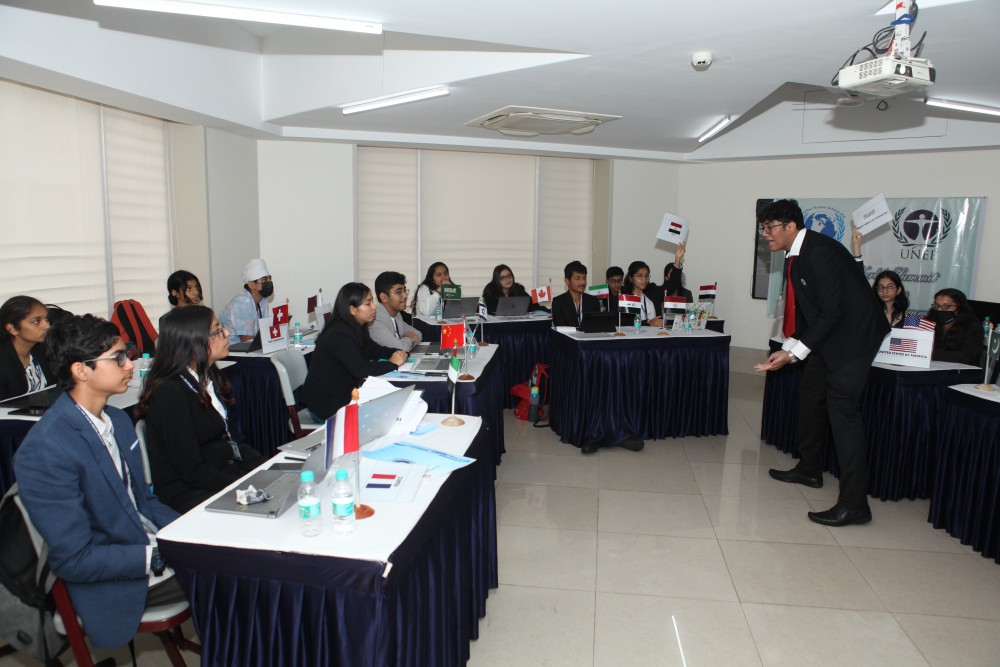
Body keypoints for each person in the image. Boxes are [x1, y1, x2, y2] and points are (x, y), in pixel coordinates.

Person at [13, 314, 186, 649]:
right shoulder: (46, 448)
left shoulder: (118, 421)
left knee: (238, 561)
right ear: (81, 370)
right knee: (235, 579)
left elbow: (144, 502)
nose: (129, 365)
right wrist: (153, 555)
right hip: (114, 578)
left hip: (149, 546)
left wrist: (188, 534)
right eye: (118, 358)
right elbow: (74, 559)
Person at [755, 199, 889, 527]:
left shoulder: (819, 252)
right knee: (810, 394)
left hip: (854, 339)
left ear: (790, 226)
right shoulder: (797, 255)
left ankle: (855, 504)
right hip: (829, 337)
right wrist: (789, 347)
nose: (765, 234)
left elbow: (833, 312)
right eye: (763, 228)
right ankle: (810, 469)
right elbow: (809, 312)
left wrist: (793, 354)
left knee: (842, 410)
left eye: (770, 228)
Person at [135, 306, 265, 513]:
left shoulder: (208, 375)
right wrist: (244, 484)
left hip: (221, 474)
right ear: (193, 342)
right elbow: (192, 469)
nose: (226, 333)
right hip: (189, 492)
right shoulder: (169, 393)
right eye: (217, 329)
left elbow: (233, 439)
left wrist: (266, 469)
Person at [303, 283, 408, 420]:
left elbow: (374, 349)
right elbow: (360, 369)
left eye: (372, 302)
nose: (374, 307)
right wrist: (392, 364)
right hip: (329, 405)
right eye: (368, 303)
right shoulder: (339, 333)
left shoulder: (357, 326)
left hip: (344, 395)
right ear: (352, 309)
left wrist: (398, 352)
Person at [0, 296, 52, 400]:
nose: (46, 325)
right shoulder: (3, 364)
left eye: (46, 319)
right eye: (36, 321)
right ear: (13, 329)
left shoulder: (45, 350)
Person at [218, 258, 274, 343]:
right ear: (251, 285)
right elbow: (247, 341)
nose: (269, 282)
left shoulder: (263, 299)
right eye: (264, 280)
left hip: (249, 346)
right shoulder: (242, 303)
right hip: (231, 348)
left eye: (270, 278)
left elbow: (264, 331)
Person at [370, 271, 423, 352]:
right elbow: (401, 349)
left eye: (405, 290)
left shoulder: (396, 314)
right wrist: (410, 338)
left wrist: (406, 341)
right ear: (384, 297)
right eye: (398, 292)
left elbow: (418, 333)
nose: (405, 295)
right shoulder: (375, 320)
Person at [928, 288, 983, 366]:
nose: (939, 310)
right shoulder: (930, 321)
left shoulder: (972, 327)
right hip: (935, 367)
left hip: (962, 371)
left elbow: (966, 357)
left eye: (945, 306)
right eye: (937, 306)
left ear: (959, 308)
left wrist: (930, 353)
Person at [551, 260, 600, 328]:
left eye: (584, 278)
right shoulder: (558, 302)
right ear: (567, 281)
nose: (582, 282)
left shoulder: (593, 301)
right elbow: (560, 328)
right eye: (577, 278)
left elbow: (596, 326)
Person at [481, 264, 546, 314]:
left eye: (509, 276)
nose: (508, 279)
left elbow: (535, 307)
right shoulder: (490, 292)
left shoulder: (519, 290)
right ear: (497, 280)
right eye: (503, 278)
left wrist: (549, 312)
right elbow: (483, 311)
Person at [622, 261, 663, 326]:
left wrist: (677, 260)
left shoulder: (653, 291)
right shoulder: (625, 296)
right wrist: (648, 322)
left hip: (655, 332)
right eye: (639, 276)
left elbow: (670, 287)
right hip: (634, 332)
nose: (644, 279)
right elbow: (624, 322)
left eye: (647, 276)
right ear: (631, 278)